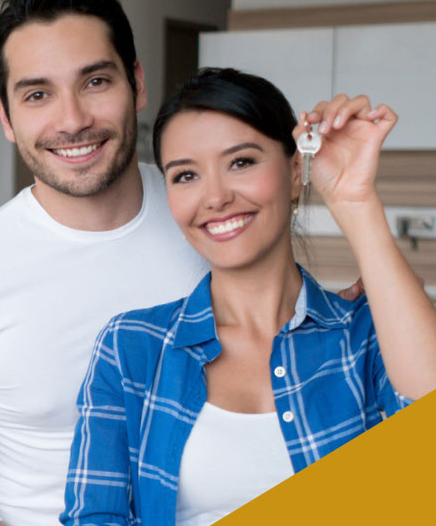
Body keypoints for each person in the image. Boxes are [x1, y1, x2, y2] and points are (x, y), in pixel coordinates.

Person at [0, 0, 362, 525]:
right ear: (6, 116)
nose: (73, 120)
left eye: (95, 81)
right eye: (37, 94)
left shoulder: (209, 211)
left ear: (136, 82)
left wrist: (345, 321)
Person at [61, 68, 436, 526]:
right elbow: (94, 518)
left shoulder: (365, 334)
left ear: (296, 170)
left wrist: (355, 202)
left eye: (241, 162)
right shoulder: (131, 347)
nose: (215, 197)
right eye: (185, 176)